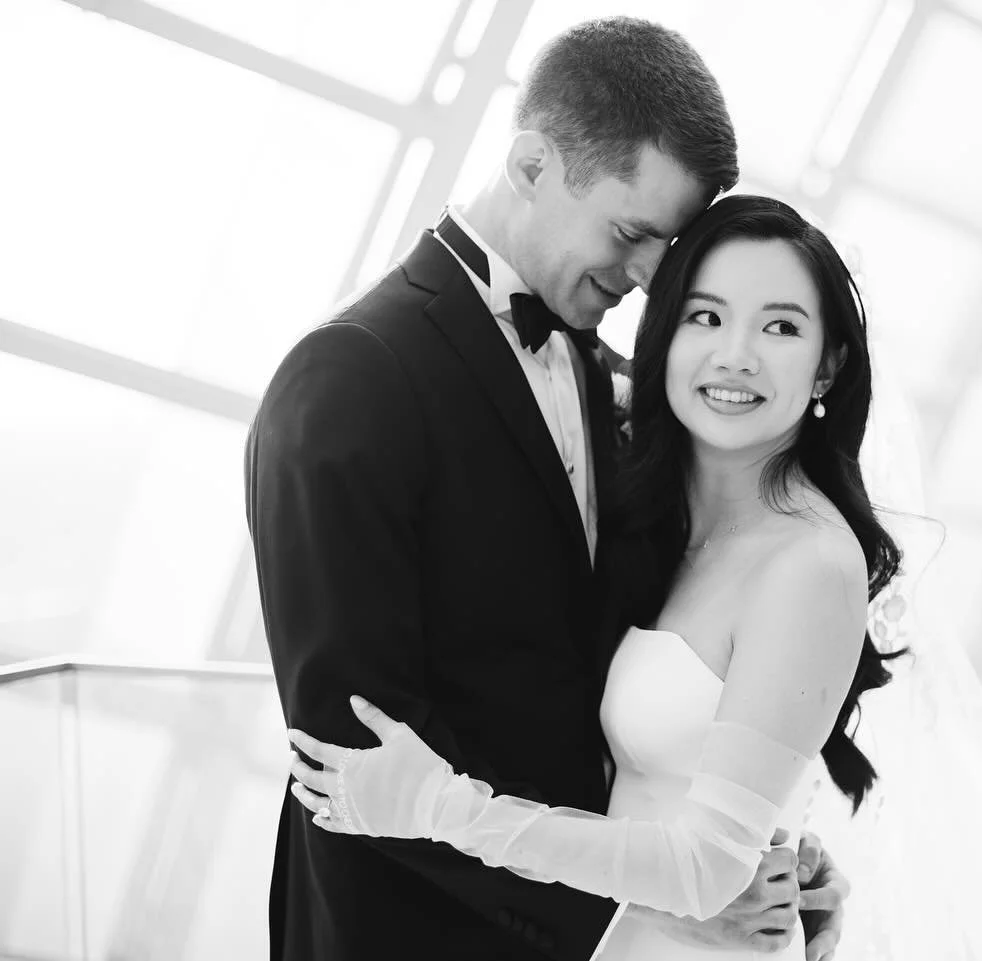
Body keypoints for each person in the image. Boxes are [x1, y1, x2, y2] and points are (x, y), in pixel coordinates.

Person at [245, 19, 847, 961]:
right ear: (532, 164)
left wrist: (744, 849)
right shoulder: (349, 380)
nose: (649, 279)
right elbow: (353, 756)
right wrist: (643, 912)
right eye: (631, 234)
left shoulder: (608, 373)